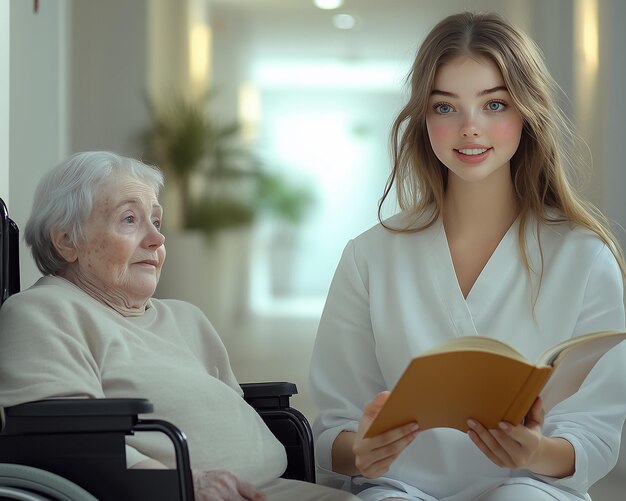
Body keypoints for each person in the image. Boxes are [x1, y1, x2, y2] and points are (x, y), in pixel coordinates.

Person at [309, 11, 626, 501]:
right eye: (445, 108)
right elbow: (334, 429)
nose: (469, 129)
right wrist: (362, 452)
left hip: (530, 489)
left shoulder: (585, 258)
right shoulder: (368, 257)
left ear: (527, 112)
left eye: (494, 104)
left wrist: (534, 453)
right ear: (423, 119)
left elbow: (595, 433)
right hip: (399, 487)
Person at [0, 151, 358, 501]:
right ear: (66, 241)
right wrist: (184, 483)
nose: (157, 239)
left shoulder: (187, 319)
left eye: (156, 222)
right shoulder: (43, 313)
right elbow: (66, 440)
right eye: (129, 219)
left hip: (268, 485)